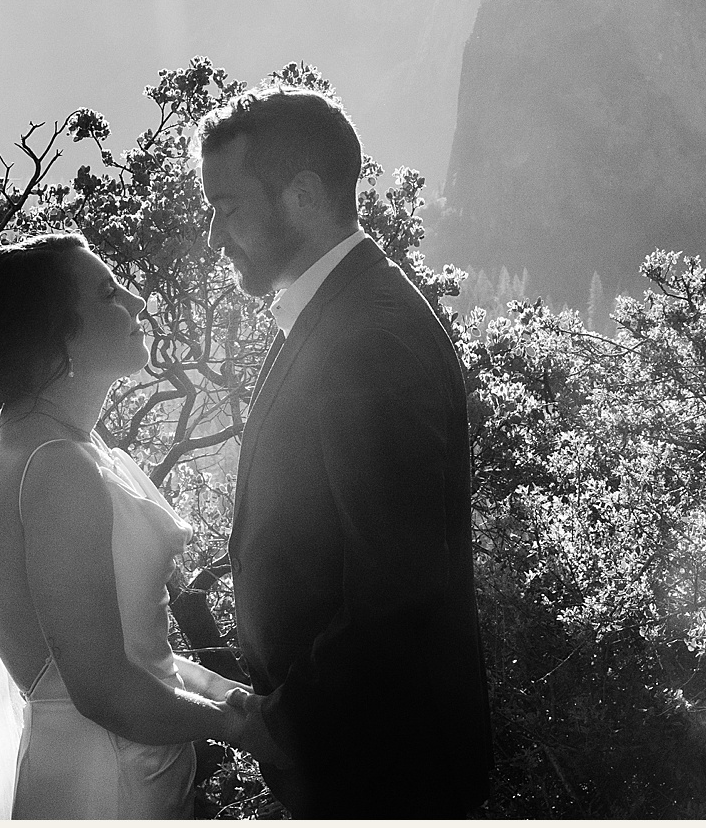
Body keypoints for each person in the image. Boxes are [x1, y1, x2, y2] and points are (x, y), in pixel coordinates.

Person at [0, 232, 272, 818]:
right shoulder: (52, 466)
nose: (137, 302)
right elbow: (104, 689)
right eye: (109, 294)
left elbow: (140, 659)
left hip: (112, 762)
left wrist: (233, 699)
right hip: (107, 782)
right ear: (60, 338)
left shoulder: (55, 446)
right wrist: (241, 728)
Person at [199, 86, 494, 816]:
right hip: (352, 755)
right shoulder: (337, 312)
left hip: (383, 769)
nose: (213, 235)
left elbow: (395, 587)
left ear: (302, 195)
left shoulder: (371, 337)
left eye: (228, 207)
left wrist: (284, 721)